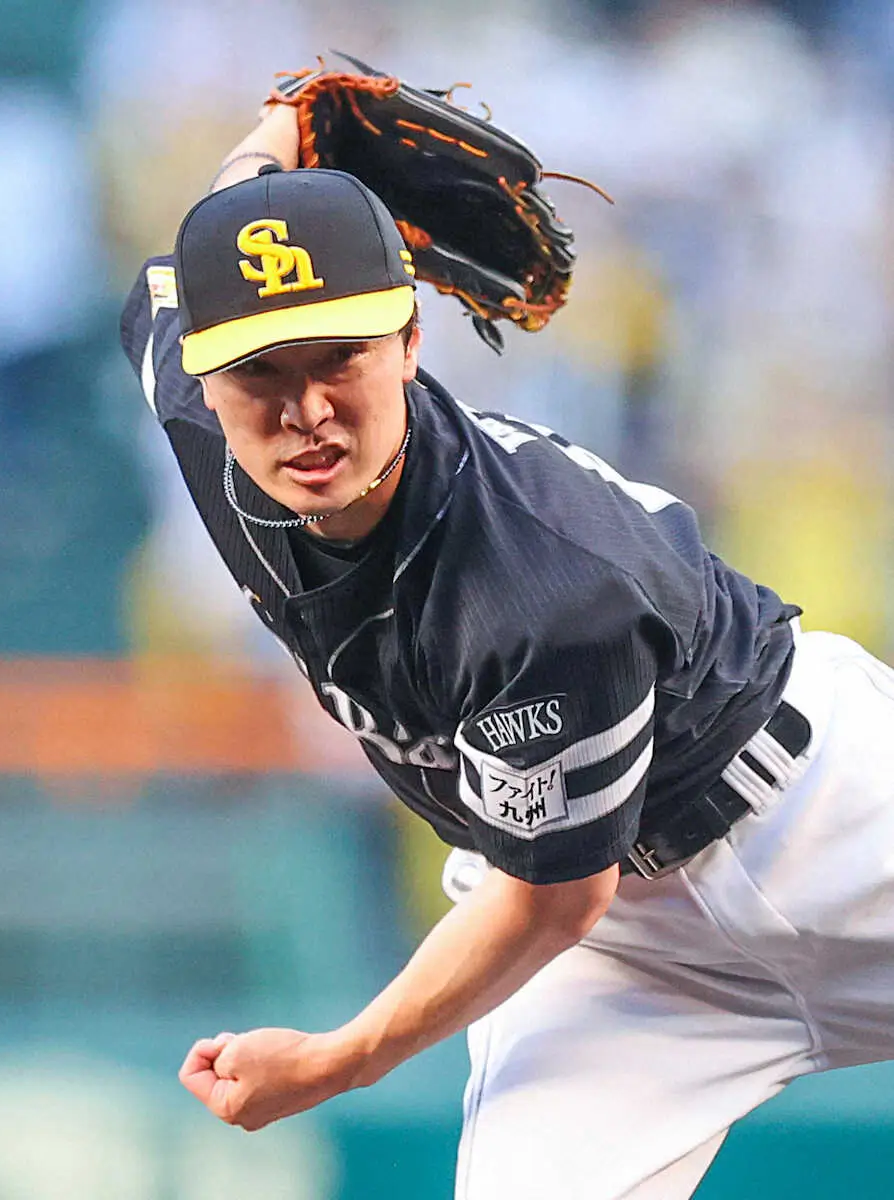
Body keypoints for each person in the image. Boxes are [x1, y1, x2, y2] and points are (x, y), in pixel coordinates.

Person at [119, 101, 894, 1200]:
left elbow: (550, 900)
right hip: (623, 958)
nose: (306, 411)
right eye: (260, 371)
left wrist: (340, 1060)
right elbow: (185, 260)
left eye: (340, 356)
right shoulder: (196, 407)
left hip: (823, 828)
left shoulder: (541, 584)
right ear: (200, 378)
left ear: (410, 341)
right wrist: (273, 140)